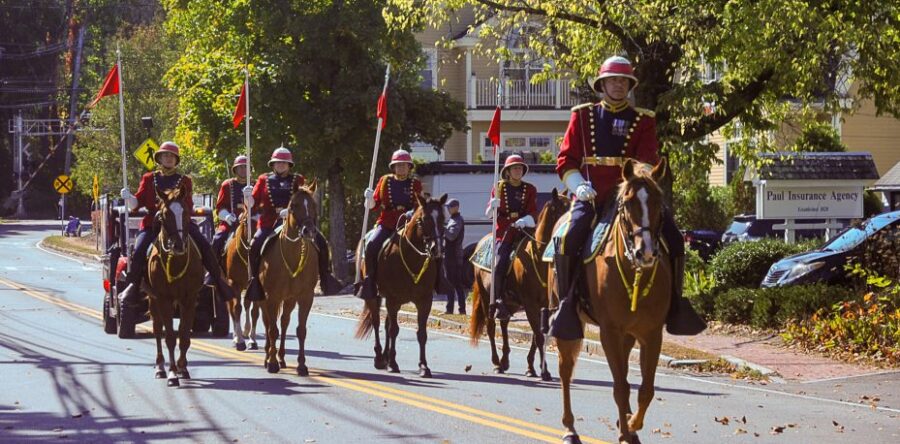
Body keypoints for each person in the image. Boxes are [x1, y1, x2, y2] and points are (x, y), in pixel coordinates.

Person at [549, 55, 706, 340]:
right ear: (602, 84)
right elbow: (566, 160)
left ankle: (676, 304)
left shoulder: (643, 119)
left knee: (671, 234)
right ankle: (567, 305)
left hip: (631, 193)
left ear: (630, 85)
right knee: (567, 236)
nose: (618, 85)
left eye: (623, 80)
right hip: (593, 194)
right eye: (613, 80)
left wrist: (638, 181)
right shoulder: (582, 115)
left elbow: (647, 158)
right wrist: (578, 185)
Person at [119, 141, 236, 305]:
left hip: (180, 223)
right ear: (159, 159)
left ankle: (218, 281)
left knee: (204, 245)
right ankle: (133, 285)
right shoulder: (148, 179)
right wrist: (129, 198)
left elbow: (187, 205)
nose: (168, 159)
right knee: (138, 250)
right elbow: (138, 203)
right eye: (165, 155)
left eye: (171, 156)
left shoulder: (184, 180)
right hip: (154, 224)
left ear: (176, 160)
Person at [242, 147, 341, 301]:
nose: (281, 165)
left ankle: (325, 276)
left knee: (321, 242)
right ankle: (254, 281)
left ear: (289, 165)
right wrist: (247, 197)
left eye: (284, 163)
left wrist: (289, 213)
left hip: (296, 223)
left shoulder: (298, 179)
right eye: (277, 163)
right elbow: (252, 204)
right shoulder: (263, 179)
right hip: (269, 223)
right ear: (273, 165)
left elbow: (305, 199)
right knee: (254, 246)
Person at [356, 149, 423, 299]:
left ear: (409, 167)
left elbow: (420, 206)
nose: (401, 168)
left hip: (407, 224)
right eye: (398, 165)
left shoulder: (415, 183)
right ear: (393, 167)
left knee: (429, 246)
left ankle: (436, 281)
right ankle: (369, 280)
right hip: (387, 222)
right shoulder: (385, 181)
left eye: (404, 165)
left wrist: (412, 213)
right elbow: (374, 205)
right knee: (372, 245)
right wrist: (369, 199)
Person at [486, 154, 538, 320]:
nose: (518, 170)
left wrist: (525, 220)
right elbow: (490, 212)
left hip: (524, 229)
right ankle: (499, 300)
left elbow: (533, 210)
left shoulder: (530, 189)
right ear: (507, 171)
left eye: (520, 167)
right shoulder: (499, 187)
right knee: (500, 262)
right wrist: (492, 206)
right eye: (515, 168)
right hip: (505, 230)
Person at [211, 155, 249, 261]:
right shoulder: (227, 185)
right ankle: (213, 270)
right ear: (235, 169)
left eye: (246, 167)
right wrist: (227, 216)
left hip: (250, 223)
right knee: (217, 239)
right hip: (230, 223)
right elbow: (220, 207)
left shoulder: (255, 184)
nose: (243, 169)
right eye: (240, 167)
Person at [443, 198, 466, 314]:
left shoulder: (457, 220)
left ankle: (453, 309)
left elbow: (452, 236)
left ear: (456, 207)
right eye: (448, 207)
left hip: (454, 257)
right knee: (454, 284)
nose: (448, 209)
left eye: (450, 207)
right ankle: (456, 309)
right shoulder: (453, 219)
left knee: (454, 284)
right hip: (450, 255)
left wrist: (442, 229)